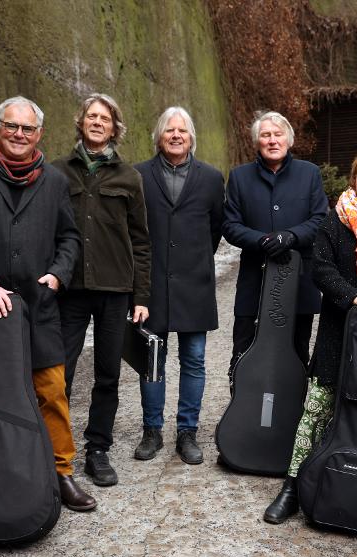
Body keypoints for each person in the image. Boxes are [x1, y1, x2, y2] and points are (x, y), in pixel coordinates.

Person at [0, 95, 95, 512]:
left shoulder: (54, 182)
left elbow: (69, 238)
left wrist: (58, 274)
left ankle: (61, 473)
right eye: (11, 126)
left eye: (27, 128)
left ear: (39, 134)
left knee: (52, 392)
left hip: (40, 307)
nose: (19, 134)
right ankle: (2, 474)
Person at [263, 148, 357, 524]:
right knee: (315, 413)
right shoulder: (337, 220)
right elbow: (321, 268)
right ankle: (292, 488)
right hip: (338, 333)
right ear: (354, 178)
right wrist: (353, 295)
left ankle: (353, 490)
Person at [52, 94, 151, 487]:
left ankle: (98, 449)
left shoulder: (129, 178)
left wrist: (141, 296)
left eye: (104, 118)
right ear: (81, 123)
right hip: (70, 289)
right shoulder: (57, 172)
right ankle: (55, 450)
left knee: (108, 373)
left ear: (114, 128)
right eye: (91, 116)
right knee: (59, 372)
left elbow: (141, 241)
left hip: (114, 289)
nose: (97, 122)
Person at [132, 107, 225, 464]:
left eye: (182, 131)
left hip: (194, 284)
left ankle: (187, 432)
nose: (175, 135)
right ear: (158, 137)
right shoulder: (139, 175)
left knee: (194, 360)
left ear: (191, 137)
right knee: (151, 359)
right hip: (151, 284)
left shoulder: (211, 178)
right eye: (169, 130)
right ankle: (151, 430)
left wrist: (193, 260)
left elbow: (215, 229)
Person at [222, 111, 328, 384]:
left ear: (289, 140)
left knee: (296, 352)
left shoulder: (309, 174)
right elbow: (230, 225)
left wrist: (291, 236)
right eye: (265, 135)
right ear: (256, 142)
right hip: (253, 281)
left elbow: (320, 219)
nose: (272, 140)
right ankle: (243, 405)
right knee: (244, 351)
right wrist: (261, 240)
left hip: (298, 280)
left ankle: (291, 408)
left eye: (278, 134)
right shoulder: (239, 177)